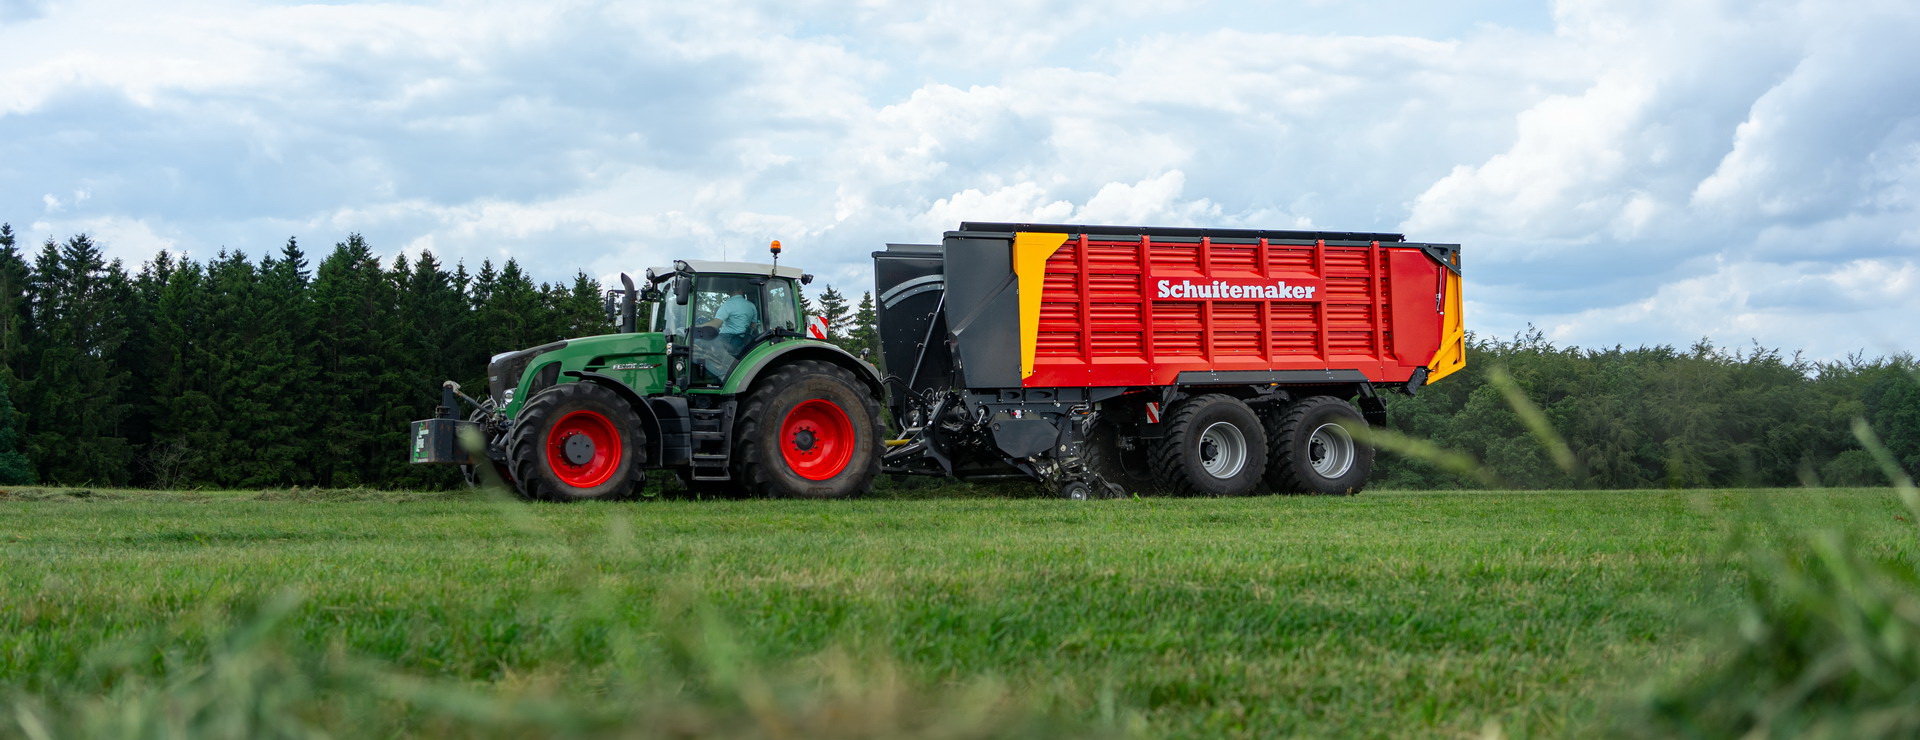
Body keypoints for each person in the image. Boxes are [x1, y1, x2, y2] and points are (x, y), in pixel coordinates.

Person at [700, 283, 758, 357]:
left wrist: (697, 328)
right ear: (741, 291)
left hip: (727, 339)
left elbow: (716, 324)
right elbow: (753, 326)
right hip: (742, 339)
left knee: (702, 345)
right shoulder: (751, 306)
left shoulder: (728, 304)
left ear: (729, 293)